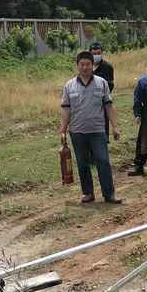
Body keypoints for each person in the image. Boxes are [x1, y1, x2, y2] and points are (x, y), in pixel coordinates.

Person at [59, 51, 123, 205]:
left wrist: (115, 126)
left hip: (97, 131)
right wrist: (63, 130)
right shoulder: (69, 86)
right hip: (77, 132)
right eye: (82, 64)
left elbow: (109, 106)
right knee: (82, 164)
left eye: (88, 64)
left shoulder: (102, 83)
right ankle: (88, 193)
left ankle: (109, 194)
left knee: (103, 161)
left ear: (92, 65)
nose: (85, 67)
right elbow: (66, 109)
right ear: (77, 66)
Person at [129, 58, 147, 176]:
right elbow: (137, 99)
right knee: (143, 140)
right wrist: (137, 114)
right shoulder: (143, 82)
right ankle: (139, 166)